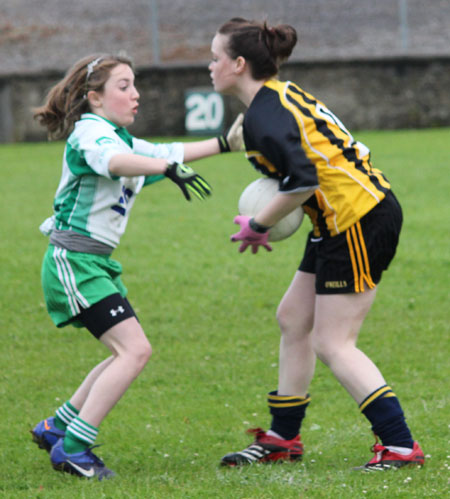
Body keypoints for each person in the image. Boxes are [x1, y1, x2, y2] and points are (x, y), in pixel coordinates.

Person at [209, 18, 424, 471]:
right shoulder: (271, 102)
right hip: (336, 221)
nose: (210, 66)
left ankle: (401, 446)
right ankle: (283, 437)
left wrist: (258, 225)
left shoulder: (267, 114)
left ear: (239, 64)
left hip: (359, 219)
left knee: (334, 342)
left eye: (216, 57)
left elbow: (302, 182)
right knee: (292, 318)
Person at [31, 53, 243, 480]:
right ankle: (73, 448)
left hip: (92, 263)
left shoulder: (119, 138)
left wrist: (224, 143)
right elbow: (114, 163)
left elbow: (168, 151)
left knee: (123, 351)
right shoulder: (90, 134)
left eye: (134, 84)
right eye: (123, 86)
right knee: (134, 350)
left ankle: (58, 426)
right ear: (94, 98)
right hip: (73, 262)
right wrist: (166, 167)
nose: (135, 94)